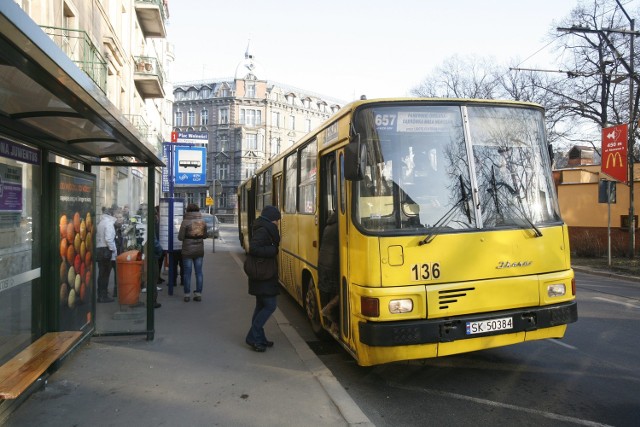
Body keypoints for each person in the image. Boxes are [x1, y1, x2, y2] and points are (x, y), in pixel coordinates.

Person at [245, 205, 281, 352]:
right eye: (277, 220)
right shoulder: (263, 230)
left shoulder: (264, 228)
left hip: (263, 273)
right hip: (263, 273)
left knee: (261, 305)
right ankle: (253, 336)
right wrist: (272, 250)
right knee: (270, 305)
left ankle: (259, 338)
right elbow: (253, 248)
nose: (278, 223)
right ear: (271, 219)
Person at [178, 203, 207, 302]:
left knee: (187, 273)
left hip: (187, 250)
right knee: (199, 272)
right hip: (199, 250)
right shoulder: (202, 221)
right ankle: (198, 294)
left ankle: (187, 294)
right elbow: (205, 236)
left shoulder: (185, 222)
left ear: (188, 211)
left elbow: (180, 237)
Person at [318, 211, 340, 334]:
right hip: (332, 266)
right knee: (343, 291)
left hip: (325, 265)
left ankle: (333, 325)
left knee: (334, 292)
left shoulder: (329, 225)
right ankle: (328, 310)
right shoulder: (339, 227)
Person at [96, 207, 117, 303]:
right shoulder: (109, 223)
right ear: (112, 214)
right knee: (105, 274)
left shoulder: (101, 222)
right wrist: (113, 250)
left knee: (101, 273)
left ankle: (101, 293)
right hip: (105, 250)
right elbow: (109, 239)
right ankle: (103, 295)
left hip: (100, 249)